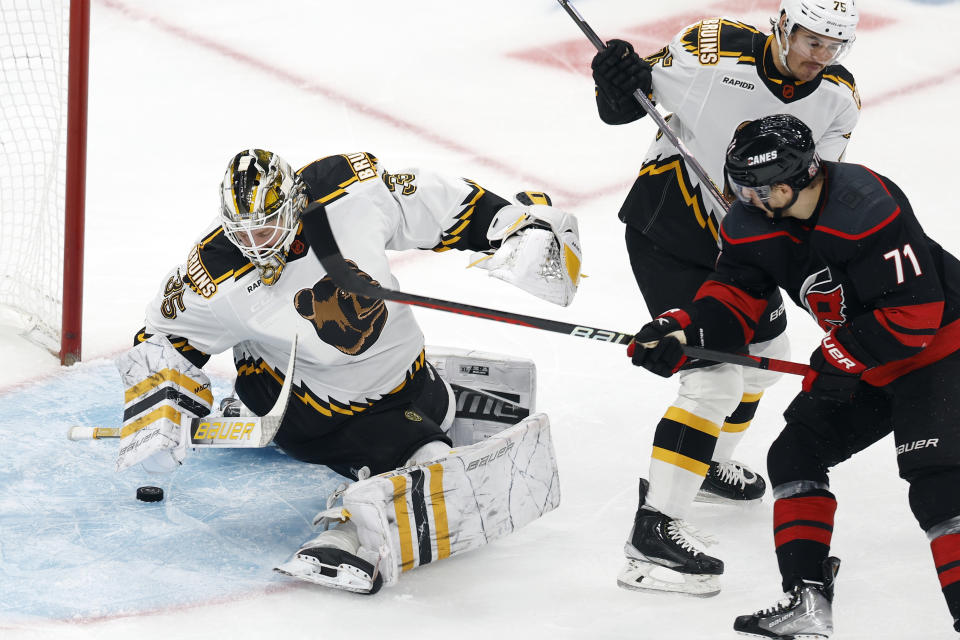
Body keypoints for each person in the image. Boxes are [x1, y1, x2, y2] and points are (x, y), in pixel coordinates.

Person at [113, 148, 581, 594]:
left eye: (268, 226)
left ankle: (405, 435)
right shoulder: (215, 273)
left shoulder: (349, 192)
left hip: (405, 376)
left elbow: (435, 203)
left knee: (430, 408)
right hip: (307, 408)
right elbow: (163, 336)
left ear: (294, 201)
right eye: (245, 232)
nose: (257, 244)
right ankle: (350, 527)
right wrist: (159, 408)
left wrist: (509, 224)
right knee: (427, 449)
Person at [629, 113, 960, 637]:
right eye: (738, 183)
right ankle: (808, 603)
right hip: (868, 362)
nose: (742, 197)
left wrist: (837, 359)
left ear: (790, 181)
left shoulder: (865, 206)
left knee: (939, 488)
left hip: (941, 353)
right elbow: (734, 296)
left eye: (754, 187)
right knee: (795, 454)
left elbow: (914, 314)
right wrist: (681, 330)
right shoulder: (750, 220)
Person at [589, 0, 860, 594]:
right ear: (783, 26)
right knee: (713, 378)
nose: (820, 57)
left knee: (765, 363)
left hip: (746, 247)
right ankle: (652, 538)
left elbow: (814, 192)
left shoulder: (839, 97)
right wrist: (615, 84)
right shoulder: (710, 49)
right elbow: (627, 105)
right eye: (811, 40)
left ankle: (704, 461)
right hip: (673, 229)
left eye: (833, 46)